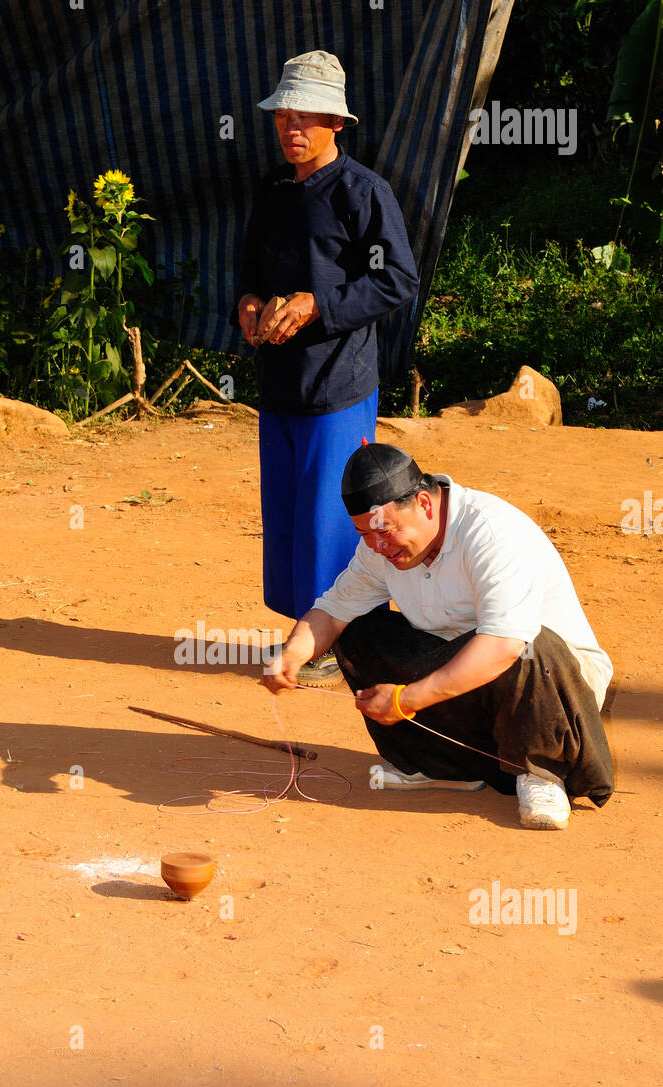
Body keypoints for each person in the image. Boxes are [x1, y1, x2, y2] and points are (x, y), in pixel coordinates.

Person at [263, 442, 614, 830]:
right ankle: (441, 764)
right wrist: (293, 655)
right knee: (359, 632)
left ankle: (543, 771)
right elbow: (331, 611)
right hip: (463, 673)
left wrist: (406, 699)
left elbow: (502, 646)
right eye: (364, 534)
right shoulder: (379, 551)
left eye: (383, 531)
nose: (378, 547)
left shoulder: (492, 532)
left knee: (532, 645)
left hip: (549, 685)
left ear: (426, 505)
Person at [233, 51, 419, 686]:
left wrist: (322, 305)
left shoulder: (363, 192)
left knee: (331, 514)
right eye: (285, 115)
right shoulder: (273, 190)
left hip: (338, 382)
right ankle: (303, 634)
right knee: (287, 513)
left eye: (308, 117)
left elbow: (397, 280)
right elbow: (253, 266)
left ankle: (338, 643)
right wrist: (251, 299)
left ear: (337, 123)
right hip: (279, 383)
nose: (293, 128)